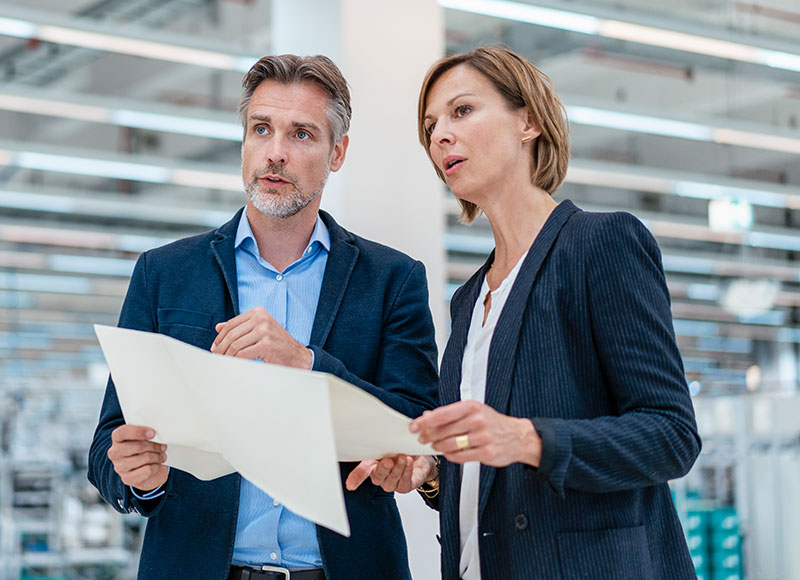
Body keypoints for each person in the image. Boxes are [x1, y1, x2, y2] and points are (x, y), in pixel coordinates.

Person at [347, 47, 701, 579]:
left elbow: (671, 434)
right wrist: (431, 473)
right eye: (430, 126)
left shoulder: (600, 244)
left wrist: (527, 438)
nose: (440, 135)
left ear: (528, 121)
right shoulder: (468, 300)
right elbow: (486, 472)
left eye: (461, 111)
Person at [87, 54, 439, 580]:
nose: (275, 153)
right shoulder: (164, 273)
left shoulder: (392, 279)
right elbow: (108, 440)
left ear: (337, 152)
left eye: (301, 134)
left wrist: (306, 362)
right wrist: (138, 479)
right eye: (261, 129)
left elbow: (420, 428)